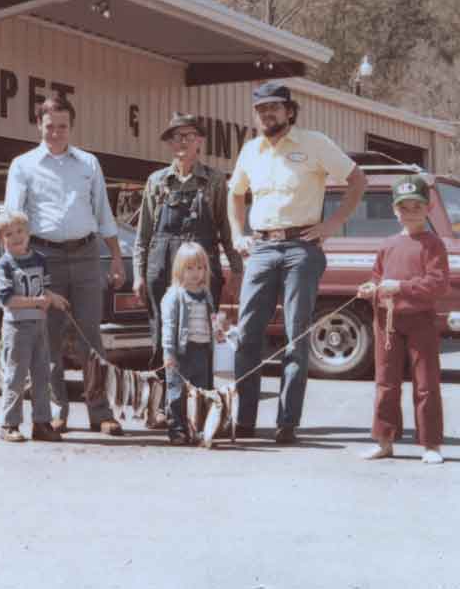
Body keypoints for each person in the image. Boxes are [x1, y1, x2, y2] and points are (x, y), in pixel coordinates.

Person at [227, 82, 366, 443]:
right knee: (247, 336)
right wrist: (237, 233)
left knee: (296, 335)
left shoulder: (314, 143)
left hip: (301, 249)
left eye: (274, 108)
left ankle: (287, 422)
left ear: (290, 111)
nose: (267, 114)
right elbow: (236, 194)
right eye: (261, 109)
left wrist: (332, 225)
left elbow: (356, 180)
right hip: (261, 249)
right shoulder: (251, 151)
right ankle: (244, 420)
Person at [4, 96, 126, 436]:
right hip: (43, 259)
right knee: (49, 340)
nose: (56, 133)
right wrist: (17, 265)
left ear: (70, 127)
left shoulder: (89, 163)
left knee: (91, 338)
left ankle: (100, 412)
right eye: (49, 127)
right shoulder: (22, 166)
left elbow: (103, 213)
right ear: (39, 126)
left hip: (87, 255)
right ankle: (57, 412)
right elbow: (12, 217)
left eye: (62, 126)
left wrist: (116, 257)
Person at [133, 113, 242, 428]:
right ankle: (165, 407)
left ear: (200, 140)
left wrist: (235, 268)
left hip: (201, 267)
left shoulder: (215, 180)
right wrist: (140, 274)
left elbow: (226, 229)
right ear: (169, 143)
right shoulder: (156, 182)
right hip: (161, 265)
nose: (181, 142)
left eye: (188, 136)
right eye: (175, 137)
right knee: (161, 339)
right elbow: (143, 235)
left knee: (199, 338)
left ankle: (201, 406)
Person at [356, 175, 448, 464]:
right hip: (387, 322)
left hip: (421, 320)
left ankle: (430, 444)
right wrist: (370, 288)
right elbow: (378, 276)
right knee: (385, 382)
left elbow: (437, 283)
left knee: (426, 383)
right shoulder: (388, 244)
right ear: (394, 211)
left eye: (416, 206)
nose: (410, 213)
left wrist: (401, 287)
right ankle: (384, 441)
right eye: (403, 207)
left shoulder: (433, 244)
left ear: (428, 207)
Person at [0, 210, 70, 443]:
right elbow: (8, 300)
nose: (16, 237)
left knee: (41, 375)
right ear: (1, 239)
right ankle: (9, 424)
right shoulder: (4, 265)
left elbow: (42, 289)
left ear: (29, 233)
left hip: (39, 325)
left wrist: (53, 297)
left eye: (20, 231)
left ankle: (42, 423)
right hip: (17, 328)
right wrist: (37, 302)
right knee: (16, 376)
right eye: (9, 234)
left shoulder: (39, 259)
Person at [161, 242, 225, 445]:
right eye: (189, 268)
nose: (196, 273)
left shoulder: (205, 293)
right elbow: (169, 326)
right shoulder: (174, 295)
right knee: (177, 391)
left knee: (200, 392)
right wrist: (168, 352)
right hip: (181, 352)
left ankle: (197, 429)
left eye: (200, 267)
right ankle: (177, 429)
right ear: (179, 269)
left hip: (202, 350)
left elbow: (212, 316)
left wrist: (218, 331)